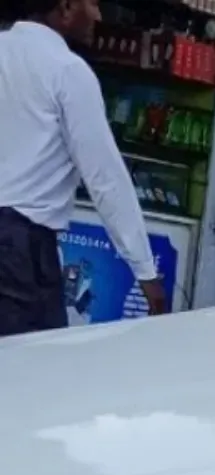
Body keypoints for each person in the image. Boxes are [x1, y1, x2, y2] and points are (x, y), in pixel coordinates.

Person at [0, 0, 168, 338]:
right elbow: (105, 178)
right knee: (35, 370)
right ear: (64, 7)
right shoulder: (67, 71)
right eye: (90, 3)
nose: (98, 15)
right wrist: (146, 272)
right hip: (19, 247)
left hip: (18, 244)